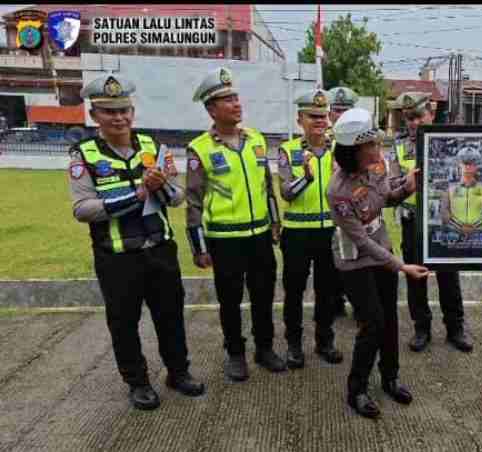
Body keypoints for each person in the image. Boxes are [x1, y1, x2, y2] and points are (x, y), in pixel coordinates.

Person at [69, 74, 205, 410]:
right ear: (94, 115)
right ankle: (138, 382)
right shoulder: (84, 155)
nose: (119, 118)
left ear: (132, 111)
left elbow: (176, 197)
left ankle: (178, 372)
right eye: (109, 111)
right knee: (124, 323)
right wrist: (137, 194)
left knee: (171, 317)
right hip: (117, 257)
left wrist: (160, 185)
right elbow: (82, 209)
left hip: (160, 249)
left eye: (124, 110)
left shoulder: (153, 147)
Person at [327, 107, 429, 419]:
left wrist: (407, 188)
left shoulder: (377, 167)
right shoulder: (338, 190)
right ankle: (356, 389)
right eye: (370, 143)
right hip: (356, 261)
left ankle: (390, 377)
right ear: (354, 150)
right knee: (372, 322)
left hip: (382, 251)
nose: (377, 147)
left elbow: (385, 199)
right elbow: (361, 241)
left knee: (389, 319)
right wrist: (401, 266)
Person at [186, 67, 286, 381]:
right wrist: (199, 247)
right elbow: (193, 201)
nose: (236, 103)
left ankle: (264, 348)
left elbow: (267, 187)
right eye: (227, 99)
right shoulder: (200, 148)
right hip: (224, 239)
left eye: (236, 97)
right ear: (211, 109)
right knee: (230, 301)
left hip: (259, 236)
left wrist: (275, 222)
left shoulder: (256, 140)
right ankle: (235, 354)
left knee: (263, 296)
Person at [387, 92, 473, 353]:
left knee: (449, 276)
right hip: (413, 221)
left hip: (443, 221)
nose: (413, 123)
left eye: (418, 116)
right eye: (408, 118)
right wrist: (407, 183)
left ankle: (455, 327)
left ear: (431, 114)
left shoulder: (449, 141)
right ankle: (421, 328)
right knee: (416, 277)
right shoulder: (399, 145)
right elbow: (391, 183)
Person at [276, 89, 344, 369]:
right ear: (299, 120)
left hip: (329, 232)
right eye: (312, 116)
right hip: (297, 233)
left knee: (327, 291)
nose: (319, 121)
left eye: (323, 116)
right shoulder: (288, 150)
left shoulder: (339, 149)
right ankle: (294, 344)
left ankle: (324, 341)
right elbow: (286, 193)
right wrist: (306, 177)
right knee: (294, 291)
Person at [326, 86, 360, 319]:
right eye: (337, 111)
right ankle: (336, 302)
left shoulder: (362, 141)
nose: (340, 116)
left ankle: (359, 305)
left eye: (345, 111)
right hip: (329, 211)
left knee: (357, 259)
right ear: (330, 114)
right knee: (332, 260)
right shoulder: (322, 140)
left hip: (356, 211)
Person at [440, 145, 482, 237]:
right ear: (459, 165)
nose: (468, 167)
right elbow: (444, 211)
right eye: (465, 164)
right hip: (454, 235)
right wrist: (459, 226)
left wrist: (475, 226)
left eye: (471, 164)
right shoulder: (450, 189)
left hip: (479, 235)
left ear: (476, 167)